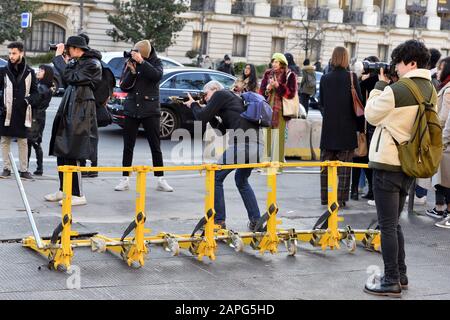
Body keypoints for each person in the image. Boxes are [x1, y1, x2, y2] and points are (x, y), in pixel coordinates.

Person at [364, 40, 434, 297]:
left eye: (399, 62)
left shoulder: (399, 89)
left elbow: (371, 115)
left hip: (388, 163)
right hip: (408, 163)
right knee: (394, 223)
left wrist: (380, 85)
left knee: (387, 225)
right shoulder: (430, 88)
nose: (396, 67)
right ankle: (401, 274)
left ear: (411, 63)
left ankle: (391, 279)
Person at [184, 80, 263, 231]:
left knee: (216, 177)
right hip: (258, 145)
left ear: (214, 89)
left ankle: (219, 221)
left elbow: (200, 118)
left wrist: (194, 105)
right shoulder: (232, 99)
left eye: (206, 94)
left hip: (243, 144)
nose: (206, 98)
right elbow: (221, 130)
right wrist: (208, 111)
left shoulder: (221, 94)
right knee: (241, 180)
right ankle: (256, 220)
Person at [45, 36, 102, 206]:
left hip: (82, 110)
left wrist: (58, 59)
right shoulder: (78, 61)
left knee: (74, 151)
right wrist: (65, 60)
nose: (66, 51)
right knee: (61, 150)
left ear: (76, 48)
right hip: (70, 106)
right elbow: (66, 77)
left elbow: (72, 78)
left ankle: (78, 194)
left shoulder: (93, 63)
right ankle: (64, 189)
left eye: (69, 48)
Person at [114, 40, 173, 192]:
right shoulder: (131, 62)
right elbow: (124, 86)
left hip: (150, 109)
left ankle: (160, 179)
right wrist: (132, 72)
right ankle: (125, 179)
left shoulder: (156, 62)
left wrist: (142, 62)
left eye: (139, 54)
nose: (136, 56)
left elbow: (156, 76)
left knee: (155, 146)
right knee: (128, 146)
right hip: (132, 107)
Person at [319, 47, 362, 207]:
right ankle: (341, 199)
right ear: (346, 59)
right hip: (347, 131)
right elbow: (358, 104)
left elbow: (321, 103)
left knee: (325, 169)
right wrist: (360, 129)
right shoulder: (352, 77)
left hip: (328, 131)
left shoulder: (325, 78)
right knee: (344, 170)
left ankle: (325, 198)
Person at [77, 33, 116, 178]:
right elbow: (109, 84)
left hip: (87, 105)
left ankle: (85, 167)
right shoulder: (99, 61)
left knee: (84, 137)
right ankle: (93, 167)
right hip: (96, 104)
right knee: (92, 138)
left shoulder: (87, 61)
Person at [0, 42, 38, 180]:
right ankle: (6, 168)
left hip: (22, 113)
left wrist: (27, 101)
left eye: (14, 53)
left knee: (23, 141)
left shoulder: (29, 72)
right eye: (9, 53)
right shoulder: (3, 71)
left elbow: (36, 93)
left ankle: (24, 170)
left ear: (21, 53)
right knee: (5, 140)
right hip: (6, 112)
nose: (11, 56)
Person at [259, 53, 297, 168]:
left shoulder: (290, 75)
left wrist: (278, 86)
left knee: (279, 137)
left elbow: (290, 94)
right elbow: (261, 93)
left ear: (282, 63)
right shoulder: (267, 74)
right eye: (273, 61)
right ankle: (265, 163)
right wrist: (267, 89)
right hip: (267, 109)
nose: (274, 64)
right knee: (266, 136)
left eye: (276, 62)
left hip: (281, 110)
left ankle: (278, 164)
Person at [351, 56, 379, 203]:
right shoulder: (381, 84)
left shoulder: (363, 83)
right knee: (369, 160)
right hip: (374, 128)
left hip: (362, 127)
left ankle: (354, 190)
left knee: (358, 157)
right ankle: (372, 191)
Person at [428, 56, 450, 226]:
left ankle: (446, 213)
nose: (438, 72)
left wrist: (440, 139)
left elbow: (445, 117)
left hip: (445, 140)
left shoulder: (448, 89)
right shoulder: (445, 86)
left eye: (441, 68)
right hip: (444, 138)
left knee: (446, 180)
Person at [27, 65, 53, 176]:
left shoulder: (42, 88)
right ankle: (35, 167)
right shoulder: (43, 86)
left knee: (32, 142)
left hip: (35, 117)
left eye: (42, 70)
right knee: (34, 142)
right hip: (39, 116)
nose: (39, 71)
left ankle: (33, 167)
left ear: (46, 73)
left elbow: (34, 101)